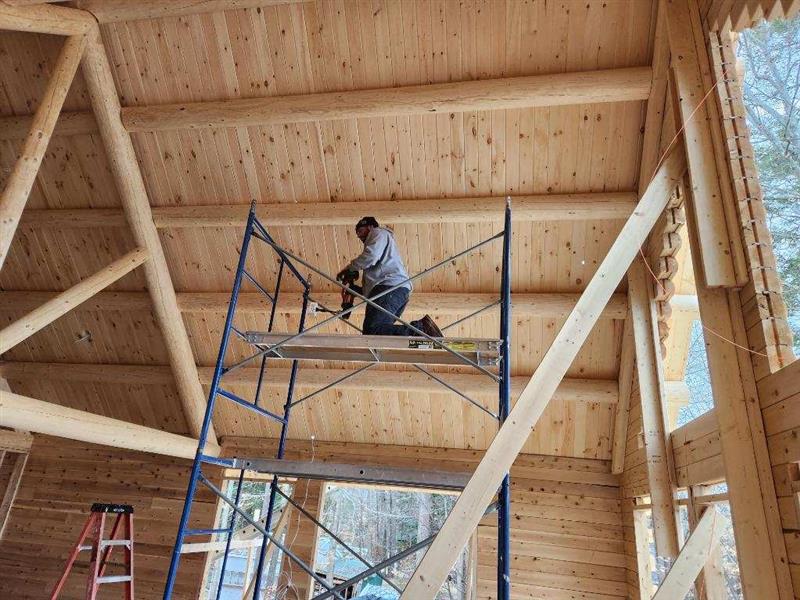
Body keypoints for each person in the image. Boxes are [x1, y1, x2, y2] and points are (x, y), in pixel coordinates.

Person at [336, 217, 443, 337]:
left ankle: (421, 329)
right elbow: (373, 290)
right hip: (395, 292)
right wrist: (357, 291)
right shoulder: (381, 250)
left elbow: (370, 256)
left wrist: (350, 268)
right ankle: (421, 332)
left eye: (360, 231)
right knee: (379, 334)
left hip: (390, 288)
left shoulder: (377, 232)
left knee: (373, 330)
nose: (359, 236)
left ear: (370, 227)